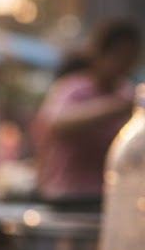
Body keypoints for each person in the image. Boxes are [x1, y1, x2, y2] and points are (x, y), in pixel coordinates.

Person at [32, 18, 142, 204]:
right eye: (119, 56)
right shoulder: (73, 89)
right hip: (67, 197)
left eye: (130, 58)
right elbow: (57, 124)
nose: (124, 65)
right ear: (99, 54)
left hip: (109, 198)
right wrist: (118, 106)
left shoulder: (126, 92)